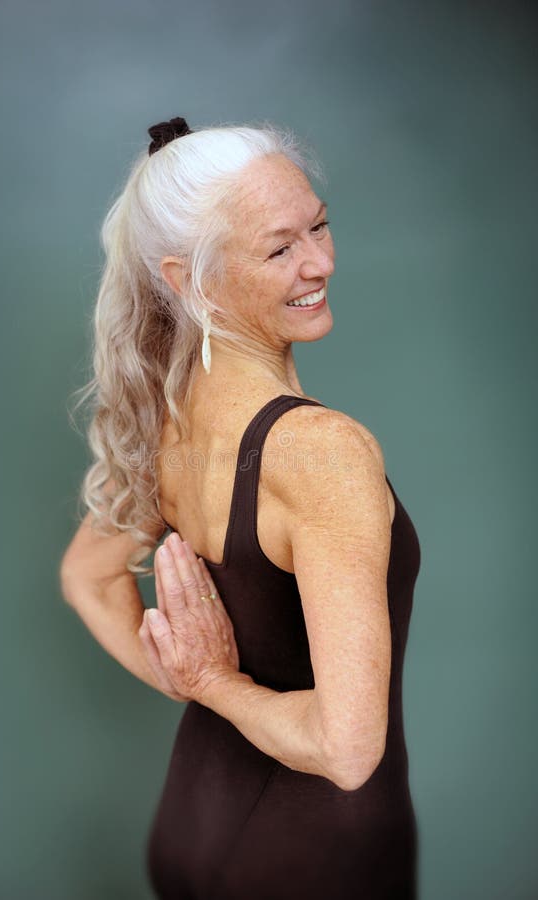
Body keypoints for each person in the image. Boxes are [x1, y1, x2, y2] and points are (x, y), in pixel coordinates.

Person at [59, 116, 422, 899]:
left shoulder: (167, 418)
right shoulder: (321, 450)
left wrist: (197, 686)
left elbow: (87, 578)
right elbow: (346, 752)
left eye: (318, 226)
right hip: (311, 858)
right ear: (186, 277)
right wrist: (212, 681)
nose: (320, 262)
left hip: (193, 815)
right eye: (278, 248)